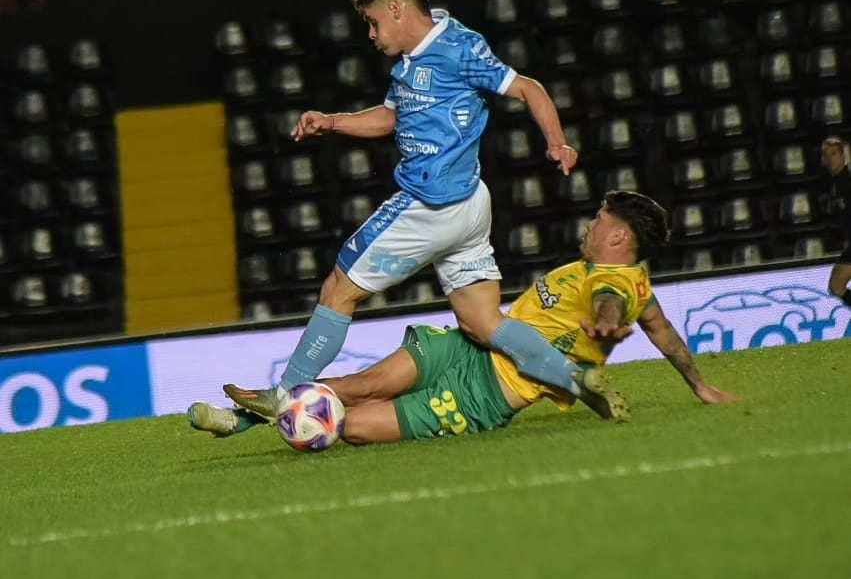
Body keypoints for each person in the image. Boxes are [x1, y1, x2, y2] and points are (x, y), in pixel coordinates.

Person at [222, 0, 628, 418]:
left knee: (338, 289)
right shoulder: (412, 60)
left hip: (429, 206)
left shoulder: (460, 50)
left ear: (396, 9)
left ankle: (285, 394)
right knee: (483, 322)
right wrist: (331, 121)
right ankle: (573, 377)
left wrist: (557, 141)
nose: (371, 35)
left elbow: (528, 88)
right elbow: (391, 117)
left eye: (373, 23)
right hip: (471, 207)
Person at [190, 191, 738, 443]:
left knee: (348, 427)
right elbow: (663, 332)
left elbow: (610, 305)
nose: (590, 225)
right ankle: (242, 418)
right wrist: (700, 385)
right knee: (363, 383)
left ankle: (245, 422)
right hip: (465, 345)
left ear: (620, 235)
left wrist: (603, 320)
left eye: (600, 219)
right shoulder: (623, 276)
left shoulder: (614, 280)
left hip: (490, 392)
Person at [821, 136, 851, 308]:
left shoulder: (848, 180)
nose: (830, 159)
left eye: (833, 154)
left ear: (842, 156)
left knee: (836, 285)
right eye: (827, 155)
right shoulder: (834, 182)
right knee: (836, 286)